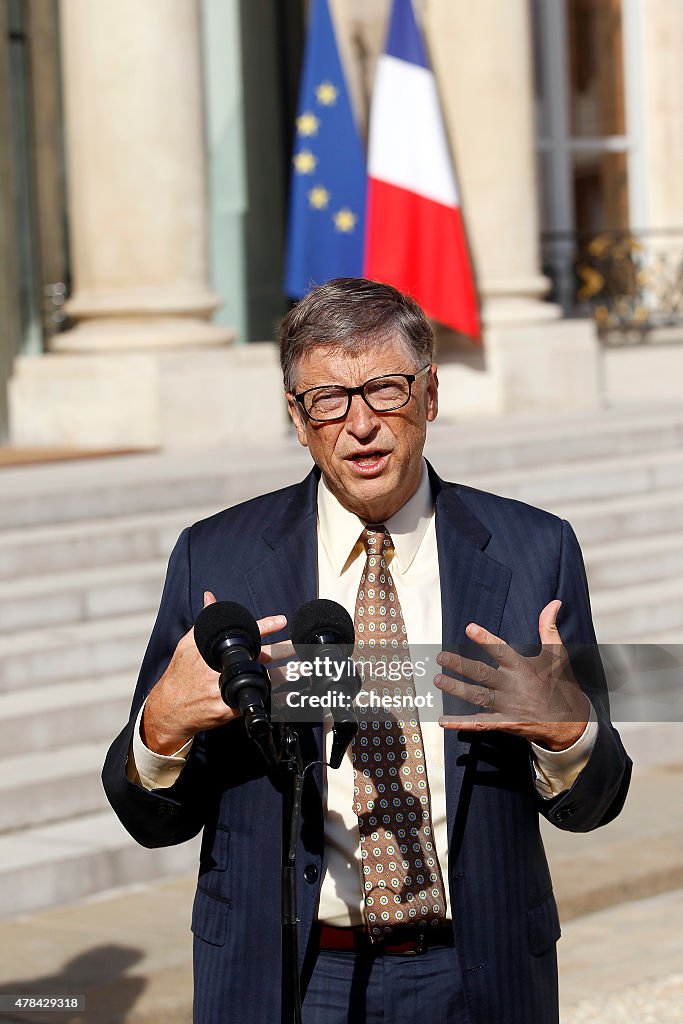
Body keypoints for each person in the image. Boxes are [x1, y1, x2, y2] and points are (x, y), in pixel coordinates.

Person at [103, 277, 631, 1024]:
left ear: (430, 394)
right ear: (297, 416)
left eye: (384, 390)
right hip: (285, 976)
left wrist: (569, 736)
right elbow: (152, 817)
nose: (361, 425)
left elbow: (595, 804)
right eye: (328, 398)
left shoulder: (534, 552)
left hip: (479, 975)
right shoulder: (216, 561)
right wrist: (160, 730)